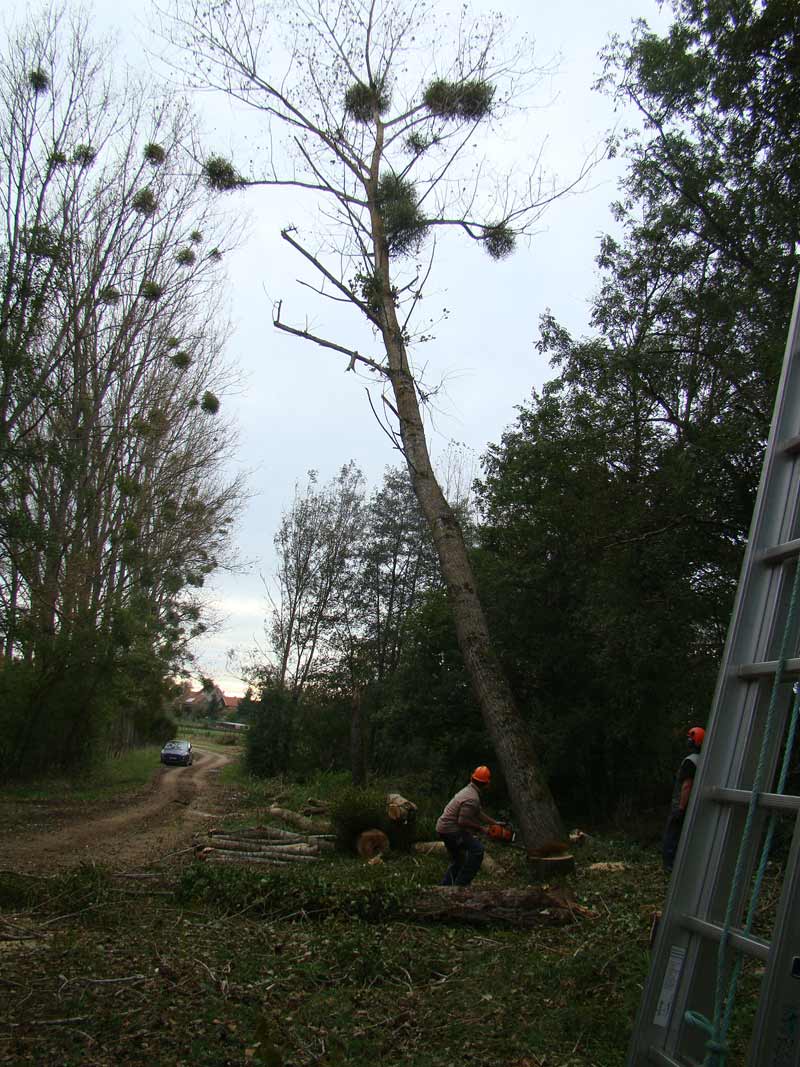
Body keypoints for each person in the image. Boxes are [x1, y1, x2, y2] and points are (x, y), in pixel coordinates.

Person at [436, 765, 500, 886]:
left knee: (459, 860)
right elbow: (462, 821)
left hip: (445, 828)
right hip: (451, 831)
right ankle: (461, 885)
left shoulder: (470, 791)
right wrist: (482, 829)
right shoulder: (472, 798)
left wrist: (494, 823)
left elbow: (478, 813)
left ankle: (445, 887)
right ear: (486, 783)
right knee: (477, 850)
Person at [662, 726, 705, 873]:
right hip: (695, 805)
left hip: (682, 805)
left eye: (690, 739)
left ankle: (669, 865)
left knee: (672, 834)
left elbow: (687, 786)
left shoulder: (690, 761)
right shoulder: (705, 761)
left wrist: (680, 807)